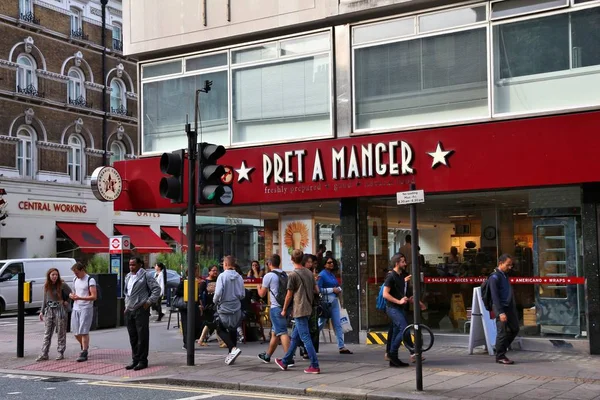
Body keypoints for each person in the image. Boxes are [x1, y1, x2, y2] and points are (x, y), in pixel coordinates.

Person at [275, 249, 321, 374]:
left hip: (299, 309)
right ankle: (285, 361)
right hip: (308, 308)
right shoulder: (309, 273)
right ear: (303, 260)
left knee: (305, 338)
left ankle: (315, 365)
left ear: (291, 260)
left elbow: (289, 295)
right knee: (295, 338)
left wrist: (284, 309)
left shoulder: (293, 275)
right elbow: (316, 290)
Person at [124, 257, 161, 371]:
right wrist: (126, 307)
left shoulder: (146, 275)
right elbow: (127, 293)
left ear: (140, 264)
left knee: (142, 336)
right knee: (133, 337)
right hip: (129, 310)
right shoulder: (128, 276)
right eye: (130, 264)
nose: (131, 267)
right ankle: (135, 360)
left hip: (141, 309)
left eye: (134, 265)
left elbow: (157, 289)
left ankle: (142, 361)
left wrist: (149, 302)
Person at [382, 253, 418, 368]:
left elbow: (402, 292)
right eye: (403, 262)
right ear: (397, 263)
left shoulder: (401, 276)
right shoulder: (391, 276)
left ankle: (394, 359)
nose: (405, 264)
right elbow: (385, 294)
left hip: (400, 308)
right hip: (393, 308)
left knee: (397, 330)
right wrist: (399, 301)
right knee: (404, 328)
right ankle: (392, 354)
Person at [257, 254, 291, 363]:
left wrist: (258, 287)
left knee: (282, 332)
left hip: (276, 308)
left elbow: (262, 294)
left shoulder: (269, 276)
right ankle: (267, 356)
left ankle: (288, 359)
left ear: (270, 264)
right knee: (275, 333)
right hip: (285, 306)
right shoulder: (284, 274)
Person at [317, 257, 352, 354]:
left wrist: (338, 290)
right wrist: (332, 290)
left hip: (334, 301)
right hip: (326, 302)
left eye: (332, 262)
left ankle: (341, 346)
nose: (331, 264)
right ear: (324, 264)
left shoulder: (332, 274)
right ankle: (312, 341)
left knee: (338, 324)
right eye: (329, 262)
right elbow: (318, 289)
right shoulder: (322, 275)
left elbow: (337, 285)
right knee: (321, 324)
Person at [214, 255, 245, 365]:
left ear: (226, 264)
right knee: (233, 329)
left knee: (220, 329)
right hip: (236, 307)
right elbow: (242, 295)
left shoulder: (222, 276)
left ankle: (232, 349)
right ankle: (231, 355)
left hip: (224, 307)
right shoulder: (239, 277)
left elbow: (218, 293)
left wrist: (215, 301)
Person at [37, 268, 72, 361]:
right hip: (49, 310)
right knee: (47, 333)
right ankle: (44, 353)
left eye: (56, 275)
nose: (54, 276)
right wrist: (42, 311)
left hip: (60, 310)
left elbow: (71, 294)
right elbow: (44, 300)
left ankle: (60, 352)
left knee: (61, 332)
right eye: (53, 275)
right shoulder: (46, 286)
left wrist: (66, 301)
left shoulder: (62, 285)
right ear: (49, 275)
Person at [490, 254, 519, 365]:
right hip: (501, 308)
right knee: (502, 332)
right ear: (500, 263)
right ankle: (500, 355)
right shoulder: (494, 277)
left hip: (509, 307)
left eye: (511, 265)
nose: (510, 267)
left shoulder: (505, 275)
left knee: (515, 328)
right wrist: (500, 312)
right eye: (508, 265)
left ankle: (500, 348)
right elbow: (495, 297)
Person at [69, 262, 97, 362]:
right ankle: (85, 345)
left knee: (83, 331)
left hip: (86, 307)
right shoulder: (75, 279)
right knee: (75, 331)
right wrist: (71, 296)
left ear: (82, 270)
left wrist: (80, 297)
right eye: (74, 273)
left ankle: (84, 351)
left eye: (77, 272)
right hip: (76, 307)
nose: (75, 275)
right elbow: (73, 292)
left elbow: (94, 296)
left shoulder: (90, 280)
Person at [198, 265, 226, 348]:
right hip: (208, 306)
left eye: (216, 270)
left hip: (216, 305)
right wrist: (201, 305)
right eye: (213, 270)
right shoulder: (204, 282)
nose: (215, 272)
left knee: (212, 323)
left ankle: (201, 340)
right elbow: (199, 295)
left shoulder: (218, 281)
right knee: (213, 323)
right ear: (209, 272)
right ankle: (221, 341)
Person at [176, 267, 203, 350]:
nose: (197, 273)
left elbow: (197, 295)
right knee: (186, 324)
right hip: (185, 306)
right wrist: (188, 292)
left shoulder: (196, 281)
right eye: (196, 271)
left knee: (196, 323)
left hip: (194, 305)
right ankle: (187, 343)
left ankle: (191, 340)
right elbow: (177, 292)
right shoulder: (184, 281)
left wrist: (199, 304)